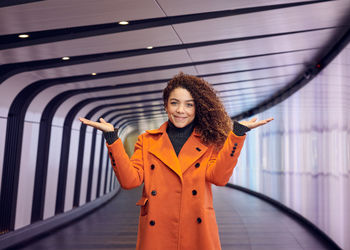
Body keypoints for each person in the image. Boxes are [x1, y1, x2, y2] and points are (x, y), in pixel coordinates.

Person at [79, 72, 273, 250]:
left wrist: (237, 135)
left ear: (199, 108)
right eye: (174, 103)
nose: (181, 110)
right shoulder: (147, 140)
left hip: (197, 231)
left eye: (189, 104)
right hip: (157, 233)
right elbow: (130, 181)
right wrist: (113, 139)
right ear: (166, 105)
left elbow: (219, 178)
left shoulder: (210, 142)